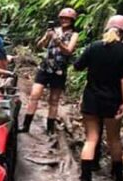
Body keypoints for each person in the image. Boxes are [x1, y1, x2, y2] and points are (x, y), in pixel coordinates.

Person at [73, 14, 123, 181]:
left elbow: (77, 66)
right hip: (112, 101)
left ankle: (85, 178)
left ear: (107, 29)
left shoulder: (94, 47)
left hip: (91, 98)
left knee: (91, 138)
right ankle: (117, 177)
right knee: (114, 139)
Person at [21, 7, 80, 135]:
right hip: (45, 67)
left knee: (54, 100)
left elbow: (68, 51)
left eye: (67, 19)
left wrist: (57, 40)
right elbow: (40, 46)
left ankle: (50, 128)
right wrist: (47, 37)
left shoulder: (74, 34)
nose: (64, 20)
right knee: (34, 95)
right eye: (62, 18)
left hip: (59, 70)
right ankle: (26, 125)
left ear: (72, 20)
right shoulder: (53, 30)